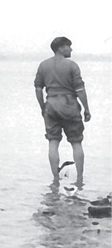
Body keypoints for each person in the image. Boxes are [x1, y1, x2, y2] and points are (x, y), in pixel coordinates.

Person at [34, 37, 91, 187]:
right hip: (69, 104)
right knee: (76, 142)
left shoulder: (43, 65)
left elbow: (38, 89)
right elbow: (80, 89)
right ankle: (79, 179)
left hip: (51, 104)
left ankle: (55, 180)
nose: (71, 49)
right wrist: (86, 109)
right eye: (68, 46)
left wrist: (43, 107)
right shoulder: (71, 65)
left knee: (53, 142)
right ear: (60, 48)